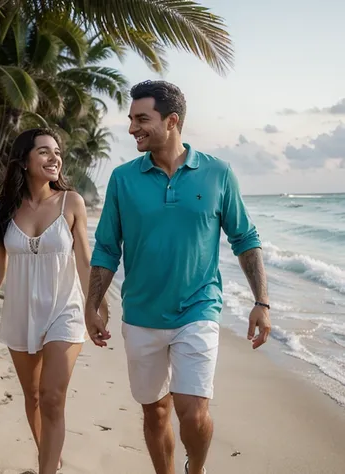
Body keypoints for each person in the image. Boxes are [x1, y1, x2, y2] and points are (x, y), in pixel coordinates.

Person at [84, 80, 271, 474]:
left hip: (198, 309)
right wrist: (92, 304)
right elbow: (105, 249)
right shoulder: (122, 179)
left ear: (172, 121)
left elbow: (245, 239)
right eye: (131, 119)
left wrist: (261, 302)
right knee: (155, 413)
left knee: (194, 411)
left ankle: (196, 470)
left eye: (141, 119)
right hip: (141, 314)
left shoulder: (218, 173)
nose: (132, 128)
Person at [0, 128, 108, 474]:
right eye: (45, 151)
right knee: (32, 398)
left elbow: (83, 259)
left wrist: (96, 303)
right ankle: (48, 456)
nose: (54, 158)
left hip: (65, 308)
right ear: (24, 160)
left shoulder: (71, 202)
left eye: (57, 152)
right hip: (21, 311)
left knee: (51, 397)